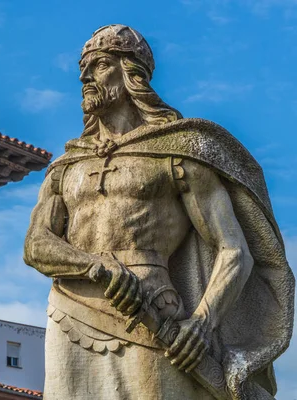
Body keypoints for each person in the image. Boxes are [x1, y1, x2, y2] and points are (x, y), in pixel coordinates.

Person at [23, 24, 294, 400]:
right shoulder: (67, 166)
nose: (85, 76)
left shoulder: (176, 153)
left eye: (99, 65)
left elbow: (234, 250)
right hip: (70, 311)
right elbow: (36, 244)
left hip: (153, 313)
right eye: (83, 68)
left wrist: (202, 323)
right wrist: (94, 267)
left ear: (131, 73)